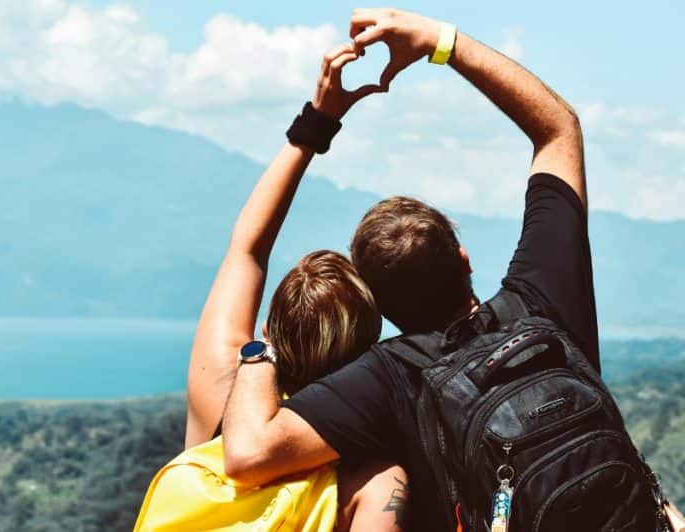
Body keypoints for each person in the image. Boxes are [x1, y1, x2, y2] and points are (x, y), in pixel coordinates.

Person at [219, 7, 639, 531]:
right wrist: (441, 42)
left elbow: (247, 452)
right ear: (463, 260)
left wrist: (264, 349)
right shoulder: (543, 299)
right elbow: (558, 129)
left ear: (380, 304)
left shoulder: (388, 379)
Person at [184, 42, 408, 530]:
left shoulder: (221, 390)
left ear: (271, 326)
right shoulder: (374, 479)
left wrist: (317, 124)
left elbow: (248, 248)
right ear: (369, 344)